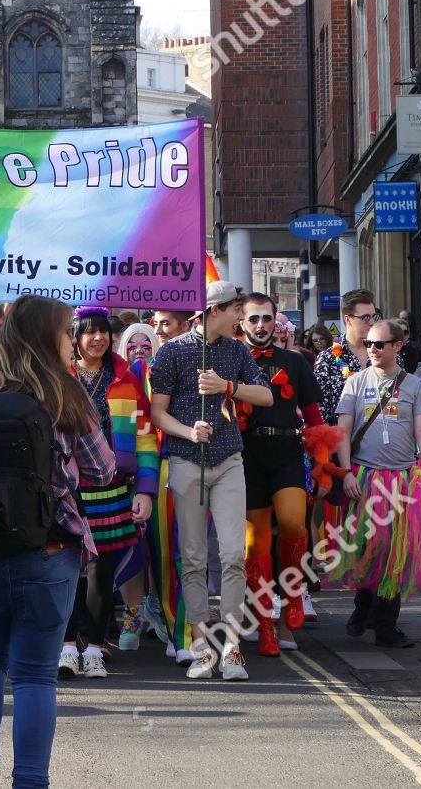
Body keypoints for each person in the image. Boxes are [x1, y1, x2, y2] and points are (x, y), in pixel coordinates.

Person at [0, 294, 116, 789]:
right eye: (68, 331)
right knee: (33, 675)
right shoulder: (66, 393)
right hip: (49, 550)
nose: (72, 340)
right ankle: (29, 780)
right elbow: (102, 469)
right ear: (49, 335)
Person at [148, 281, 272, 681]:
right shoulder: (171, 351)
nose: (243, 317)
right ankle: (201, 645)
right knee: (195, 558)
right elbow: (157, 412)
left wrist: (228, 387)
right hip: (187, 461)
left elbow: (266, 396)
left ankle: (233, 647)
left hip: (229, 460)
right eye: (237, 310)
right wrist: (187, 432)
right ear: (215, 311)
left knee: (234, 555)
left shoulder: (237, 350)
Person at [330, 319, 421, 647]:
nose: (373, 350)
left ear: (397, 346)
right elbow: (343, 431)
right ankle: (362, 607)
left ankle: (386, 624)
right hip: (363, 478)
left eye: (380, 344)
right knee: (367, 548)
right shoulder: (355, 383)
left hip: (402, 480)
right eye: (368, 344)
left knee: (397, 552)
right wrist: (346, 471)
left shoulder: (414, 386)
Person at [60, 307, 157, 676]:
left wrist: (146, 489)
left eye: (104, 332)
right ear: (75, 338)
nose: (98, 338)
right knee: (67, 567)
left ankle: (96, 649)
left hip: (114, 486)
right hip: (66, 488)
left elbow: (147, 437)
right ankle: (68, 646)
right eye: (89, 333)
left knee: (101, 571)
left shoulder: (127, 379)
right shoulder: (59, 377)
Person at [237, 293, 323, 655]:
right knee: (255, 544)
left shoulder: (295, 361)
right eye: (253, 319)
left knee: (292, 524)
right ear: (242, 322)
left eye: (267, 319)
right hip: (247, 456)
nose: (260, 325)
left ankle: (292, 599)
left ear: (277, 322)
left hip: (288, 450)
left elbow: (315, 417)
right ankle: (266, 626)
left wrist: (321, 462)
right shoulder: (231, 359)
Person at [313, 291, 409, 409]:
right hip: (342, 427)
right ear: (348, 320)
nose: (372, 322)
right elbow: (321, 408)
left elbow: (402, 399)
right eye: (365, 318)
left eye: (374, 316)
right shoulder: (327, 359)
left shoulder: (390, 354)